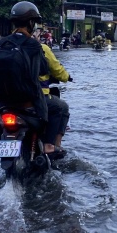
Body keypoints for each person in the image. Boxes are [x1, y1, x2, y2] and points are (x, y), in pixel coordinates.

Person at [0, 1, 48, 137]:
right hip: (27, 98)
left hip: (1, 100)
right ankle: (47, 147)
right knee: (58, 108)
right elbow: (44, 69)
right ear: (31, 23)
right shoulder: (32, 44)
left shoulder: (0, 43)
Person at [34, 28, 72, 159]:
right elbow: (56, 69)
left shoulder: (7, 46)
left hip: (8, 99)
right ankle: (52, 145)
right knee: (62, 107)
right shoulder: (41, 48)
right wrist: (67, 77)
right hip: (36, 98)